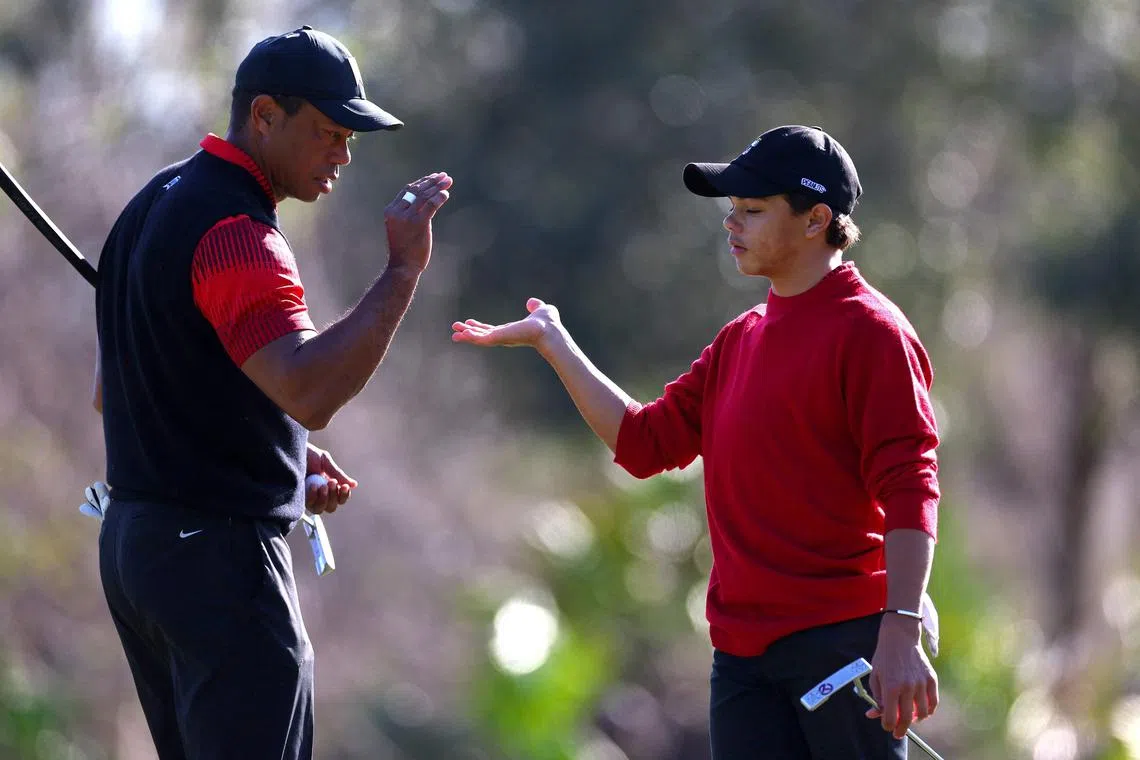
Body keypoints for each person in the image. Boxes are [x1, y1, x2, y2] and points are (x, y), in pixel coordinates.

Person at [452, 125, 940, 759]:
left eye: (753, 211)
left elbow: (910, 486)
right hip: (742, 659)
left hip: (840, 645)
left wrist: (899, 627)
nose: (731, 224)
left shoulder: (872, 333)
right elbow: (644, 443)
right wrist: (554, 342)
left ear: (818, 218)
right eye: (731, 211)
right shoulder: (740, 340)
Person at [90, 26, 451, 760]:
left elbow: (116, 390)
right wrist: (403, 272)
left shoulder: (153, 200)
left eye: (350, 138)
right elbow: (310, 391)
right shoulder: (236, 232)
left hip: (137, 545)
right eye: (327, 133)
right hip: (215, 557)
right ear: (263, 116)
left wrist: (274, 454)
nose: (343, 157)